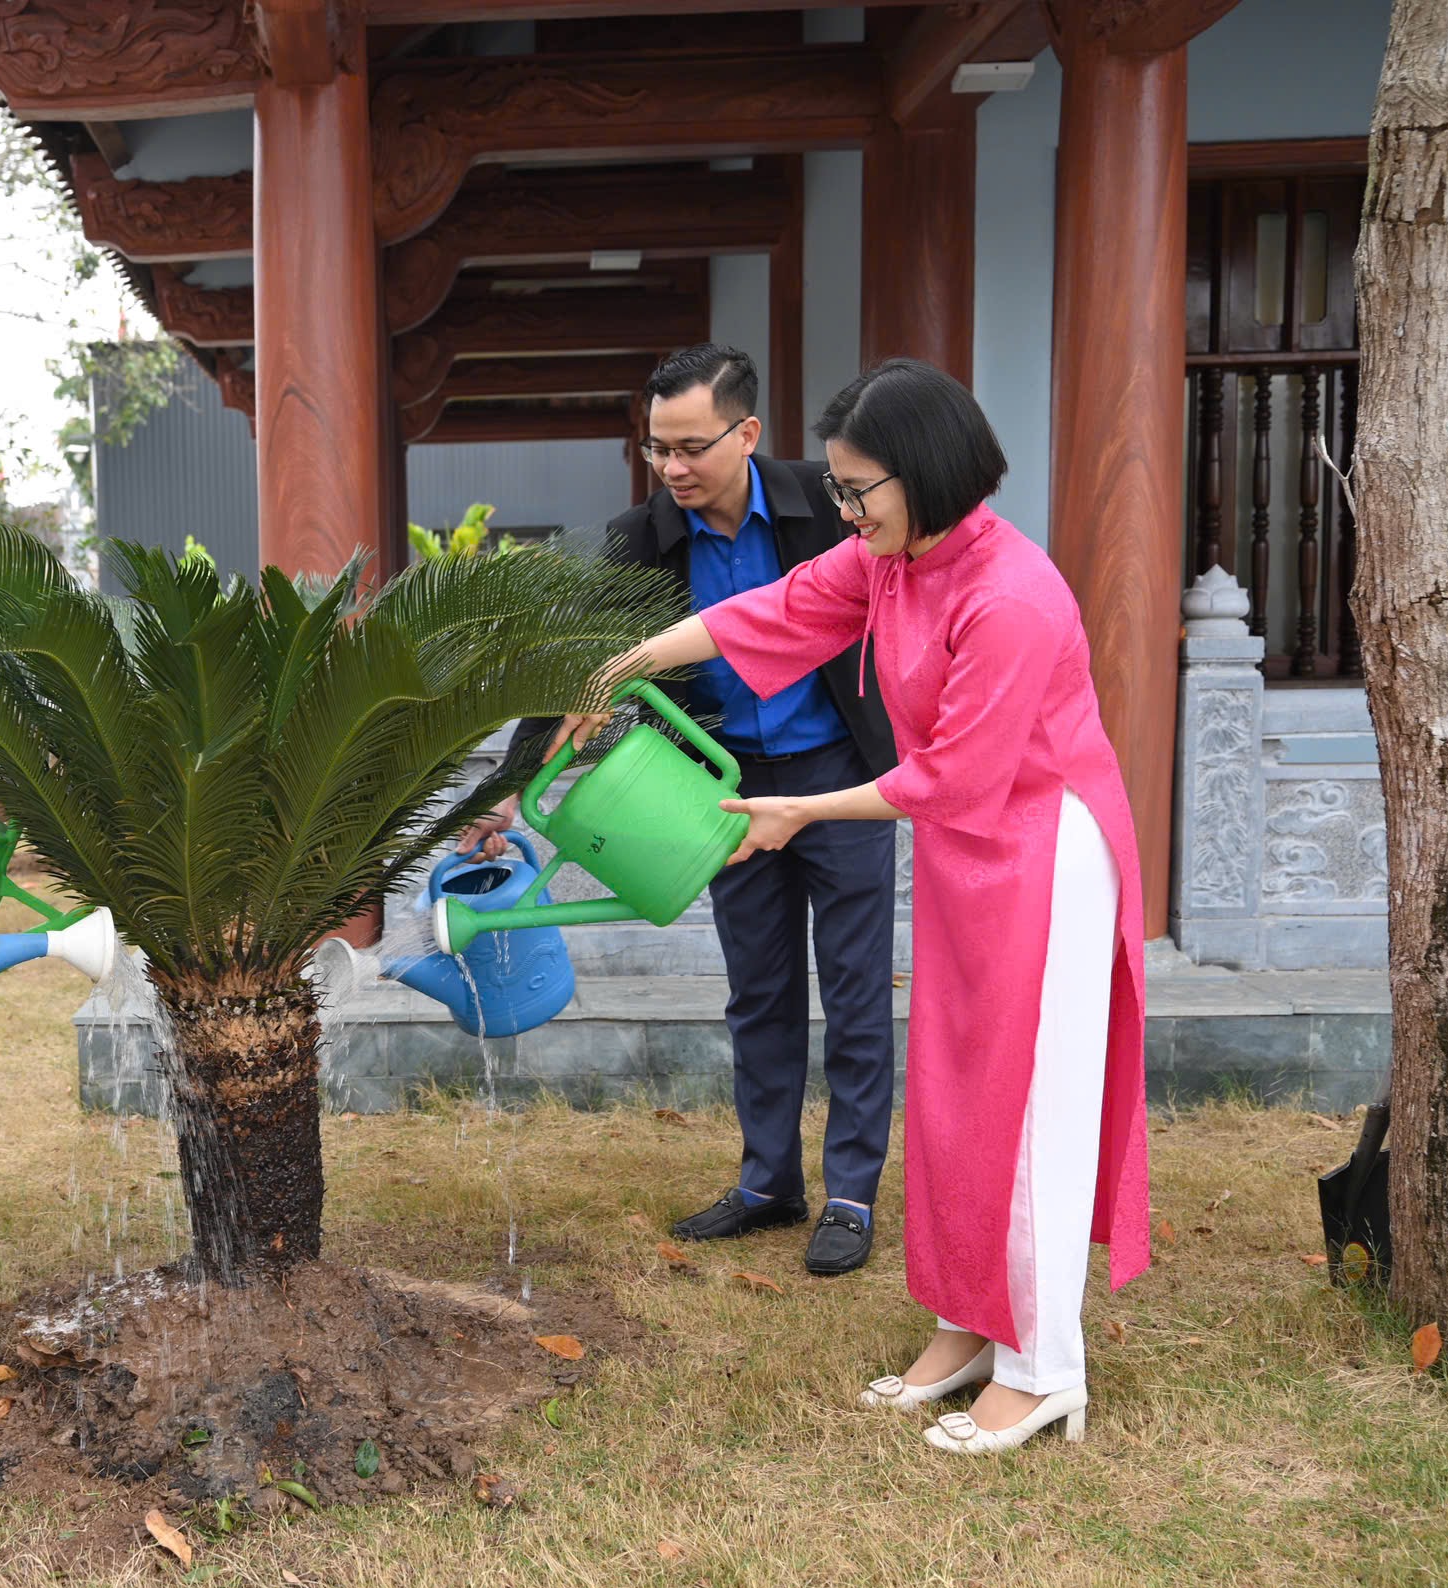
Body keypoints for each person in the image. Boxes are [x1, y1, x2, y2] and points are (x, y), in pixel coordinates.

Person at [551, 358, 1151, 1455]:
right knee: (955, 1097)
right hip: (970, 852)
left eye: (857, 488)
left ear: (923, 474)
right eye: (835, 486)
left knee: (1027, 1110)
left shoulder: (1011, 596)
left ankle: (1042, 1369)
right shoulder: (890, 561)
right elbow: (770, 611)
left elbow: (953, 774)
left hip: (1046, 858)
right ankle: (970, 1324)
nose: (842, 508)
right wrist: (622, 665)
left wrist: (796, 812)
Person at [462, 343, 899, 1277]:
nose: (672, 467)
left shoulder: (829, 503)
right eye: (657, 447)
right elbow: (582, 666)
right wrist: (508, 789)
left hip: (837, 778)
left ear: (746, 432)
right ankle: (768, 1184)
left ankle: (852, 1194)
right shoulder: (640, 539)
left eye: (691, 446)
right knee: (760, 992)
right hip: (718, 790)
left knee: (856, 990)